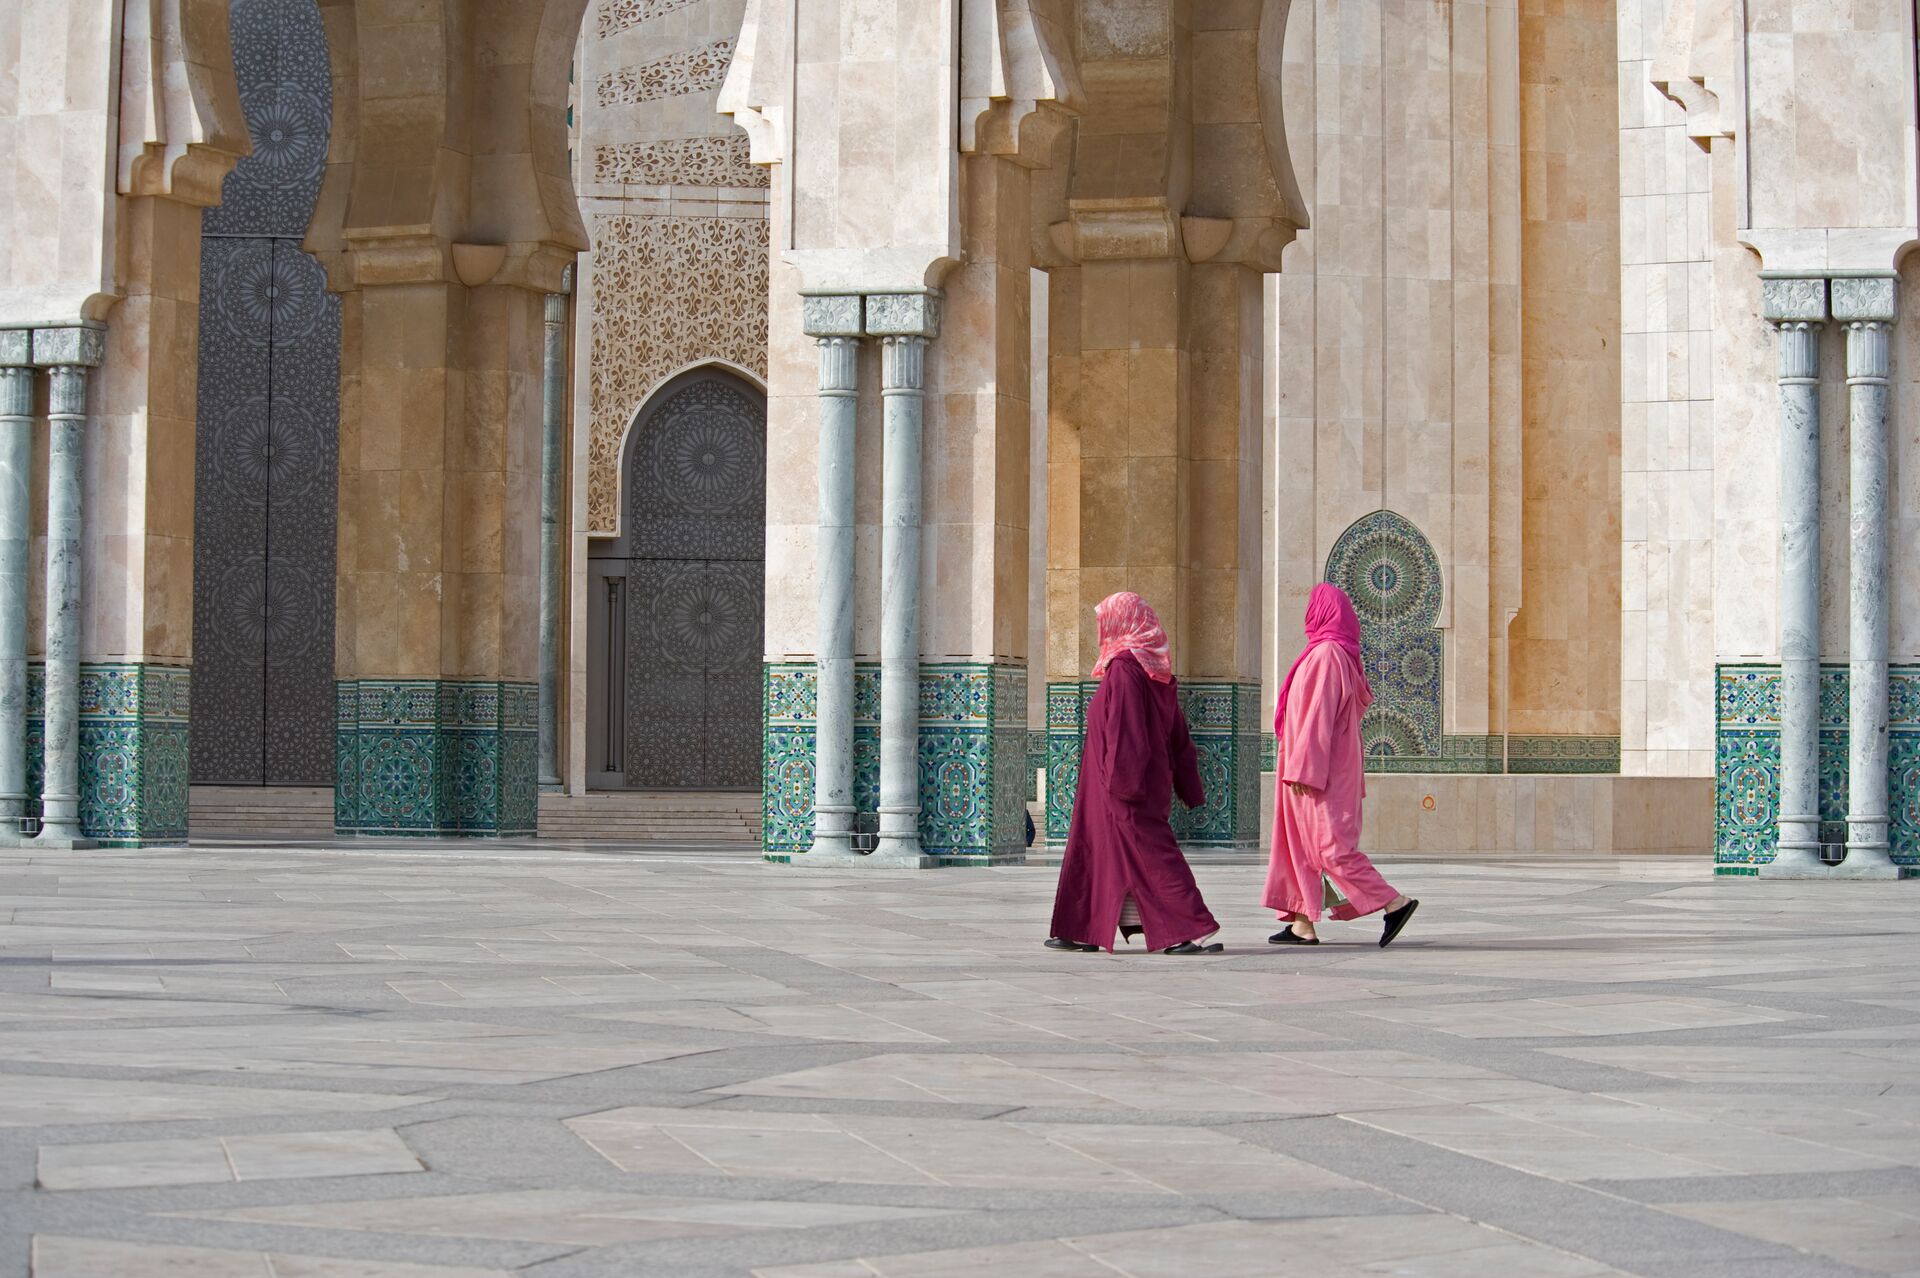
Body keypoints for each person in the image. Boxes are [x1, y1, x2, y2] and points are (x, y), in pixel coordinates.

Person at [1046, 592, 1223, 956]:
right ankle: (1081, 928)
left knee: (1151, 852)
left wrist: (1121, 787)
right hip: (1126, 782)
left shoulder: (1126, 669)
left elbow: (1127, 732)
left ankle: (1188, 928)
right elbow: (1178, 734)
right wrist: (1187, 785)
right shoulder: (1153, 667)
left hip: (1122, 784)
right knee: (1097, 851)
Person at [1265, 583, 1419, 948]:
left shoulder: (1328, 655)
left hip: (1317, 769)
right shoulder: (1330, 653)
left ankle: (1393, 903)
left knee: (1330, 847)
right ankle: (1302, 923)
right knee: (1299, 847)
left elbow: (1317, 716)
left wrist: (1304, 768)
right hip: (1311, 765)